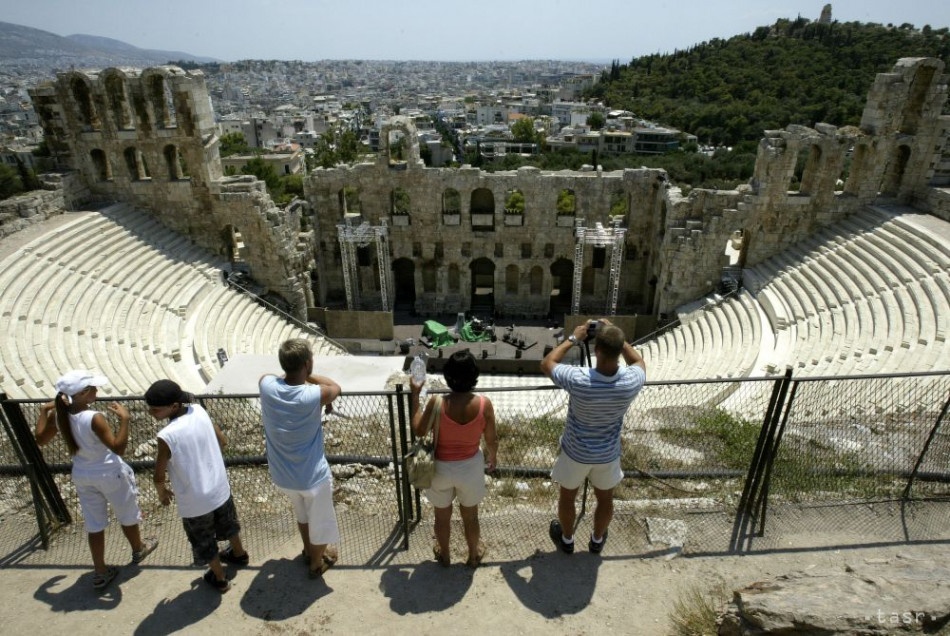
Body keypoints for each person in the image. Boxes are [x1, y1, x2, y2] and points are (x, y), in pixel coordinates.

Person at [34, 370, 158, 591]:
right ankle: (138, 548)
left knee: (94, 524)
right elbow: (118, 448)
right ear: (82, 394)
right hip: (110, 473)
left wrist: (44, 410)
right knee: (127, 514)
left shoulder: (59, 416)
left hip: (83, 475)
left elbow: (41, 439)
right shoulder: (93, 418)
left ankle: (100, 572)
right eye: (92, 389)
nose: (97, 391)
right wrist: (125, 420)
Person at [540, 319, 646, 555]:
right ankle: (597, 539)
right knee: (605, 499)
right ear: (619, 352)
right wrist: (616, 335)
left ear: (596, 350)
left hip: (575, 452)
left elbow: (547, 363)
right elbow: (638, 361)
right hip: (607, 453)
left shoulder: (579, 379)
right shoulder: (631, 382)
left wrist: (573, 338)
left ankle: (567, 540)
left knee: (568, 497)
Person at [145, 379, 248, 593]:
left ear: (174, 406)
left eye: (155, 409)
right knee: (229, 524)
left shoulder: (166, 435)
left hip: (194, 500)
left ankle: (219, 578)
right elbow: (222, 440)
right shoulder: (199, 410)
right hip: (219, 486)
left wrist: (162, 492)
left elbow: (158, 474)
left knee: (203, 539)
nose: (150, 413)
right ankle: (239, 554)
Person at [259, 338, 343, 579]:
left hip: (283, 475)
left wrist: (296, 372)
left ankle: (308, 550)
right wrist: (310, 376)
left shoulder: (266, 385)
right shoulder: (312, 394)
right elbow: (335, 387)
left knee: (303, 516)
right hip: (312, 477)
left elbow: (267, 375)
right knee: (321, 524)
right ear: (308, 363)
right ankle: (316, 563)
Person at [410, 349, 498, 568]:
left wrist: (414, 397)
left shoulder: (437, 402)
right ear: (474, 376)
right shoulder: (484, 404)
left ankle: (445, 555)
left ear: (448, 375)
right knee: (471, 517)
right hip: (470, 466)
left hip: (440, 467)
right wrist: (493, 457)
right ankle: (473, 555)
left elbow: (419, 430)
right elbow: (492, 438)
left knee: (442, 517)